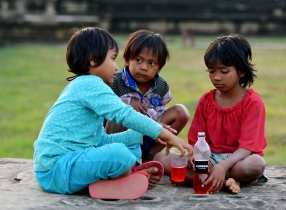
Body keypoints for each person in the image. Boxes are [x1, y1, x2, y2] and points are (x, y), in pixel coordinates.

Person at [33, 27, 194, 200]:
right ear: (94, 60)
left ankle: (118, 178)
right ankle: (125, 175)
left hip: (67, 167)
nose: (117, 66)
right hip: (56, 169)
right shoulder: (89, 84)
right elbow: (124, 114)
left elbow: (101, 140)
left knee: (129, 144)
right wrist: (165, 134)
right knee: (119, 153)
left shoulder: (86, 85)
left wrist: (144, 133)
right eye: (113, 58)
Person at [154, 33, 268, 194]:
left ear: (241, 71)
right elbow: (196, 139)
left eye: (224, 71)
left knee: (256, 164)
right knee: (159, 159)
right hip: (209, 158)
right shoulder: (206, 101)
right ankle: (226, 182)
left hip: (238, 160)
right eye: (212, 71)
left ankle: (214, 179)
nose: (216, 77)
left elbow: (247, 147)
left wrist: (223, 166)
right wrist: (197, 159)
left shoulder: (252, 102)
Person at [105, 29, 190, 162]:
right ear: (127, 60)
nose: (144, 67)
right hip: (119, 138)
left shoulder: (161, 86)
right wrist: (125, 105)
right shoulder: (116, 81)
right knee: (122, 113)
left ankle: (151, 154)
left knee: (182, 111)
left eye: (151, 63)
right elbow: (105, 110)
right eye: (138, 60)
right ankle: (121, 159)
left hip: (150, 133)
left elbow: (162, 108)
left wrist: (155, 125)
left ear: (159, 67)